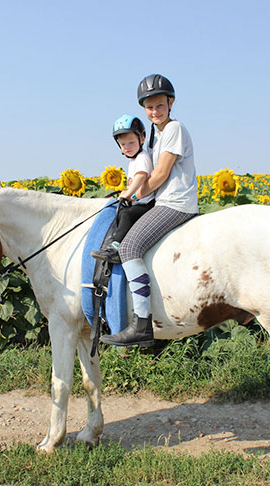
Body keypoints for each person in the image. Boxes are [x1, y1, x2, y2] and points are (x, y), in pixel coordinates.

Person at [100, 74, 199, 348]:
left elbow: (162, 174)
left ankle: (141, 323)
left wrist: (138, 192)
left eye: (160, 105)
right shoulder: (158, 134)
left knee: (129, 248)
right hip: (163, 201)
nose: (155, 112)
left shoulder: (175, 129)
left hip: (175, 203)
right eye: (149, 107)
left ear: (171, 102)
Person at [91, 114, 155, 264]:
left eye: (131, 143)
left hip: (147, 204)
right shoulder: (133, 160)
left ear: (142, 138)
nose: (127, 147)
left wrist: (128, 194)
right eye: (123, 144)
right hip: (138, 202)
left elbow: (140, 177)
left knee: (126, 214)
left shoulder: (142, 158)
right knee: (119, 212)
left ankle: (115, 248)